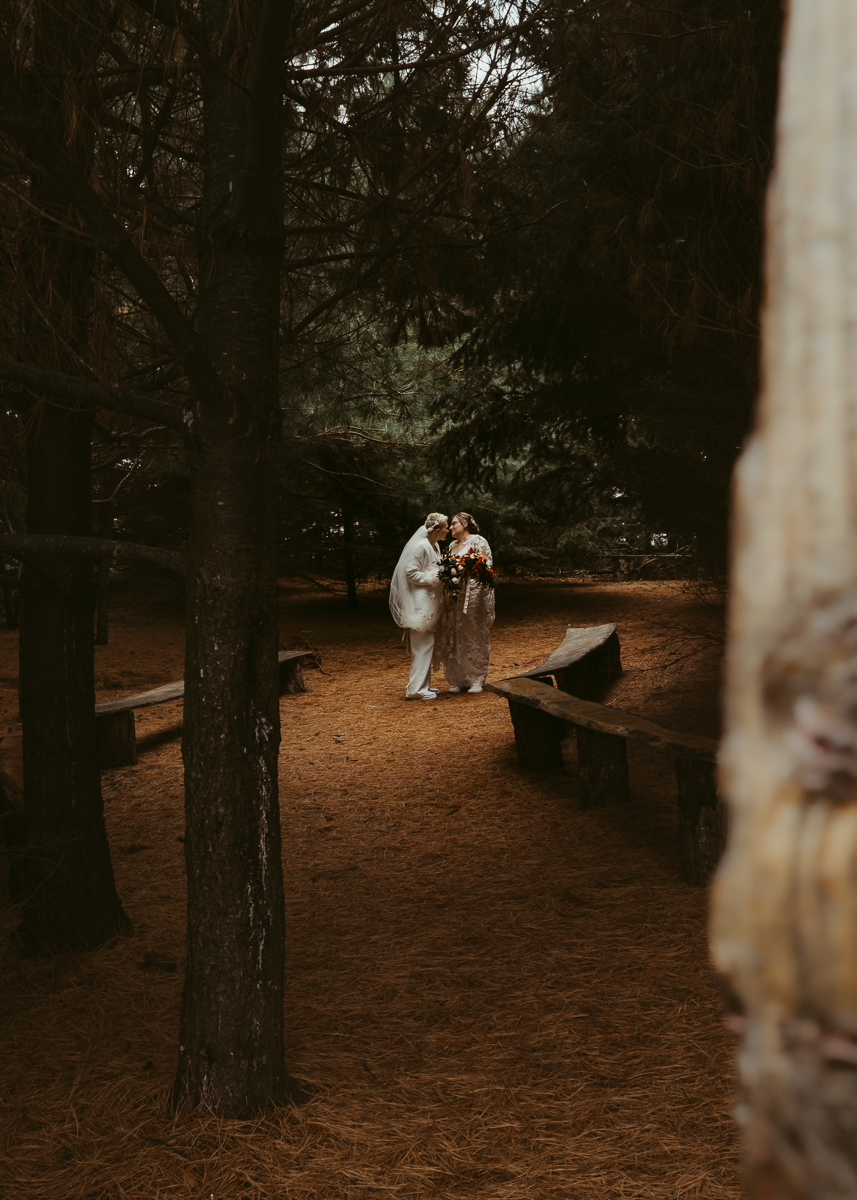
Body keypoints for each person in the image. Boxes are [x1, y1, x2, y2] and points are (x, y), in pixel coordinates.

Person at [388, 513, 448, 700]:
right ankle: (415, 690)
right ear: (437, 531)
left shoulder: (435, 545)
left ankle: (422, 685)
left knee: (427, 643)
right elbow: (409, 572)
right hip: (420, 600)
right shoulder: (421, 546)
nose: (448, 530)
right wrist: (433, 578)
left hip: (432, 599)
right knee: (422, 644)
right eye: (446, 527)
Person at [433, 511, 494, 694]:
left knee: (473, 635)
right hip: (453, 598)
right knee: (456, 636)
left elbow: (487, 568)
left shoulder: (478, 541)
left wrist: (468, 579)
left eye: (454, 523)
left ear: (465, 524)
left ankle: (476, 678)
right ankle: (460, 678)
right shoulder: (452, 545)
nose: (451, 527)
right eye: (451, 525)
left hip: (473, 597)